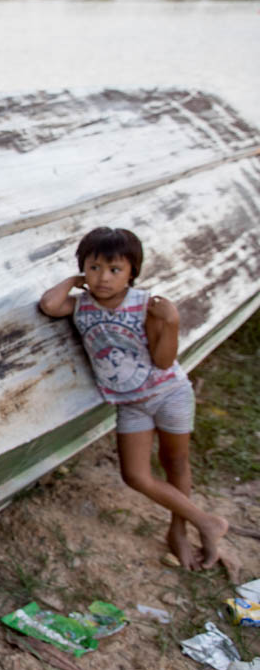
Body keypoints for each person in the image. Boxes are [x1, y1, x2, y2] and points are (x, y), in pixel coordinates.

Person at [39, 226, 227, 571]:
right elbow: (50, 305)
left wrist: (171, 323)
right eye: (94, 268)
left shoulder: (147, 306)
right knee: (135, 475)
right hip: (131, 404)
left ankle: (180, 530)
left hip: (169, 393)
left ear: (132, 273)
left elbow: (164, 361)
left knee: (176, 463)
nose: (103, 278)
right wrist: (72, 280)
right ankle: (207, 521)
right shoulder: (81, 306)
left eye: (114, 270)